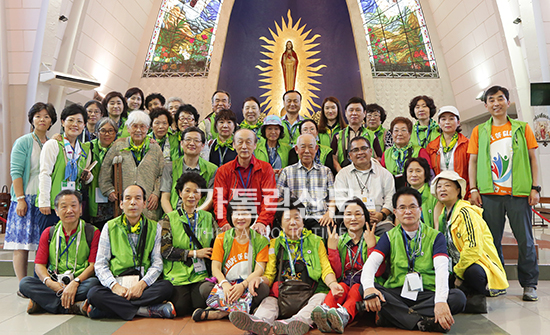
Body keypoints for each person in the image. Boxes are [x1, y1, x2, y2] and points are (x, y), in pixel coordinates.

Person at [467, 85, 540, 301]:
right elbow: (472, 161)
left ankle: (529, 284)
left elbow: (533, 159)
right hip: (490, 195)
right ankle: (497, 281)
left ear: (508, 103)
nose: (496, 103)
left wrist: (535, 188)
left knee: (525, 241)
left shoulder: (522, 127)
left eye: (500, 99)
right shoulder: (479, 131)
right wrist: (473, 188)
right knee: (491, 241)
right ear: (486, 105)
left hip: (518, 195)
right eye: (491, 100)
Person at [229, 200, 344, 335]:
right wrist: (259, 280)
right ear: (280, 223)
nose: (293, 222)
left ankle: (296, 323)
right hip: (283, 296)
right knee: (269, 301)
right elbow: (269, 275)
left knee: (320, 298)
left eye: (297, 217)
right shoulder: (274, 244)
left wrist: (333, 283)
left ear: (303, 220)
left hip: (310, 293)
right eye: (288, 219)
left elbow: (326, 269)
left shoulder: (316, 241)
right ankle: (258, 323)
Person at [360, 187, 466, 333]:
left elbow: (442, 269)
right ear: (395, 212)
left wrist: (440, 301)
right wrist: (368, 288)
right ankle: (420, 323)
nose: (408, 211)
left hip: (426, 293)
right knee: (365, 288)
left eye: (412, 207)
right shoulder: (389, 236)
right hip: (398, 293)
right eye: (402, 207)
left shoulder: (436, 237)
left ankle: (395, 316)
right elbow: (371, 263)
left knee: (458, 298)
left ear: (420, 210)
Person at [87, 185, 175, 320]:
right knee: (93, 293)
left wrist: (142, 285)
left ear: (144, 204)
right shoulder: (109, 226)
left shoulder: (154, 227)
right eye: (128, 198)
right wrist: (114, 286)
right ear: (121, 204)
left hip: (142, 283)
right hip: (118, 282)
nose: (133, 202)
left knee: (166, 287)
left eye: (138, 198)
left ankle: (110, 309)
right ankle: (145, 310)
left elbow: (157, 263)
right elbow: (100, 264)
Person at [432, 171, 509, 312]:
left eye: (447, 185)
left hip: (477, 263)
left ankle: (478, 293)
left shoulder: (466, 213)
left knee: (472, 273)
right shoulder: (443, 214)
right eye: (439, 186)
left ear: (458, 190)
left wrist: (458, 274)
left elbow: (473, 249)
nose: (442, 189)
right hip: (457, 264)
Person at [19, 190, 100, 315]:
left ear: (80, 209)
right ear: (56, 211)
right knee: (25, 284)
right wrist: (50, 283)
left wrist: (75, 283)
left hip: (80, 282)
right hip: (55, 281)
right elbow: (39, 265)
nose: (69, 210)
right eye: (64, 207)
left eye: (73, 206)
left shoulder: (92, 232)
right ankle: (74, 306)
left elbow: (93, 266)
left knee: (94, 285)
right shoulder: (49, 233)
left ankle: (44, 303)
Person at [311, 198, 381, 333]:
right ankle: (324, 313)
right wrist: (332, 250)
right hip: (345, 281)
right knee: (339, 286)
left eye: (358, 214)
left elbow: (378, 272)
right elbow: (336, 274)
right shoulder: (338, 240)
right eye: (348, 214)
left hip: (364, 285)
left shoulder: (374, 239)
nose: (353, 218)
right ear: (342, 217)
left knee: (355, 289)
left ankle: (344, 315)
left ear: (365, 216)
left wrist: (372, 246)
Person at [5, 102, 57, 284]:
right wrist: (20, 199)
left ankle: (39, 283)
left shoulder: (52, 143)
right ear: (32, 119)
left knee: (41, 243)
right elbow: (16, 172)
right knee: (22, 244)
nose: (42, 120)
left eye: (46, 116)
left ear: (52, 121)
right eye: (38, 116)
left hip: (44, 200)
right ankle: (22, 284)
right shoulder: (24, 142)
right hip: (25, 198)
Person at [193, 200, 270, 321]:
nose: (240, 218)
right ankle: (243, 310)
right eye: (236, 213)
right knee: (204, 288)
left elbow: (259, 270)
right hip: (227, 285)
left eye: (245, 213)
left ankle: (221, 313)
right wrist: (224, 284)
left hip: (247, 285)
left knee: (262, 289)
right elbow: (215, 268)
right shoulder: (221, 238)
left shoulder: (261, 241)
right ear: (230, 216)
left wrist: (242, 286)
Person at [158, 173, 216, 316]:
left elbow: (218, 242)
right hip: (177, 275)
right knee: (181, 307)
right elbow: (165, 250)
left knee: (199, 304)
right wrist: (195, 253)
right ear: (179, 193)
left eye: (196, 192)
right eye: (187, 191)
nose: (191, 195)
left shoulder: (208, 218)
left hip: (199, 274)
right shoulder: (169, 218)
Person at [99, 111, 165, 221]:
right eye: (134, 126)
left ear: (148, 128)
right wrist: (108, 190)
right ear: (128, 128)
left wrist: (156, 193)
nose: (138, 130)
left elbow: (161, 174)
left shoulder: (155, 148)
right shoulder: (119, 145)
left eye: (142, 127)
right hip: (123, 203)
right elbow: (105, 169)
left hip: (148, 203)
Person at [38, 104, 94, 232]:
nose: (75, 124)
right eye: (71, 120)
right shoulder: (53, 144)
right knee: (49, 244)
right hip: (53, 205)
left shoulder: (84, 150)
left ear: (84, 125)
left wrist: (89, 177)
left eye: (79, 121)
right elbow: (45, 174)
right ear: (63, 122)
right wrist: (44, 202)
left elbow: (83, 178)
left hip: (73, 208)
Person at [213, 128, 277, 234]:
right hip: (232, 219)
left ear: (255, 145)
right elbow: (219, 199)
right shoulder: (223, 170)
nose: (244, 146)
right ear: (233, 145)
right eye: (240, 142)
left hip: (257, 219)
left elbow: (270, 197)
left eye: (248, 142)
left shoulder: (265, 168)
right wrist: (224, 222)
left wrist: (262, 222)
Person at [334, 136, 395, 236]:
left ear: (370, 151)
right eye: (355, 150)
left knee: (390, 233)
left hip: (379, 222)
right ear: (350, 155)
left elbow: (390, 199)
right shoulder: (342, 175)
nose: (360, 152)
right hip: (352, 221)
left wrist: (382, 215)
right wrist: (358, 216)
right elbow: (341, 201)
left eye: (364, 148)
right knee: (340, 235)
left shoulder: (385, 174)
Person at [277, 134, 336, 237]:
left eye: (311, 147)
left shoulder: (326, 171)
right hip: (295, 219)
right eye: (303, 147)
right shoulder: (287, 171)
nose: (307, 151)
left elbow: (333, 197)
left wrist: (329, 213)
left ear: (316, 148)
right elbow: (279, 198)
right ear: (296, 149)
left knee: (329, 233)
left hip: (320, 219)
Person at [160, 127, 217, 214]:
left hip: (200, 217)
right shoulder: (170, 167)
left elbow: (209, 200)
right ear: (182, 143)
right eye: (188, 140)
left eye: (196, 140)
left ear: (202, 146)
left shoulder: (212, 169)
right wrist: (173, 218)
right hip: (173, 215)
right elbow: (165, 198)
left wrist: (193, 217)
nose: (191, 143)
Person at [426, 106, 470, 198]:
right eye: (443, 119)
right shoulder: (431, 147)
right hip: (440, 193)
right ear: (439, 123)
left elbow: (473, 171)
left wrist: (470, 193)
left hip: (462, 192)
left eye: (451, 118)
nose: (447, 122)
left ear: (458, 122)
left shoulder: (467, 144)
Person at [332, 97, 382, 173]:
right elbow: (333, 158)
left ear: (364, 113)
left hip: (368, 175)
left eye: (358, 110)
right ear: (345, 113)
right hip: (345, 175)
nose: (354, 113)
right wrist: (341, 172)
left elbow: (379, 158)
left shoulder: (372, 135)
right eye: (351, 110)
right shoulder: (338, 136)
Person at [382, 117, 431, 190]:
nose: (400, 134)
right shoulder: (386, 154)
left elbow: (428, 175)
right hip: (392, 191)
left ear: (410, 133)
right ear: (391, 134)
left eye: (403, 130)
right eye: (396, 130)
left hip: (417, 191)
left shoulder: (420, 151)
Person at [87, 118, 118, 230]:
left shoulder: (120, 149)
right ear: (96, 132)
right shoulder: (88, 148)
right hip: (92, 197)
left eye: (111, 131)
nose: (107, 134)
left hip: (112, 199)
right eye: (103, 130)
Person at [404, 157, 437, 229]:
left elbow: (437, 225)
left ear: (426, 173)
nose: (414, 174)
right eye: (410, 171)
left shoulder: (434, 195)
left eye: (418, 171)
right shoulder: (402, 196)